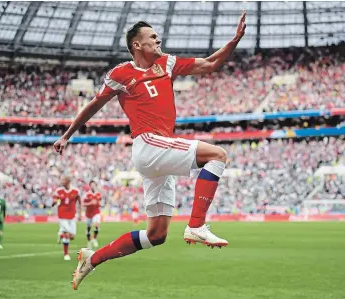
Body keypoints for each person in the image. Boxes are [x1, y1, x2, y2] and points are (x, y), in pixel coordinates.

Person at [54, 10, 246, 290]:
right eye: (153, 37)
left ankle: (92, 258)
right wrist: (67, 135)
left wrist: (234, 40)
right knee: (217, 155)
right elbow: (94, 105)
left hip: (159, 154)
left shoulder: (167, 64)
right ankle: (196, 225)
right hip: (148, 144)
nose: (159, 40)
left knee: (156, 235)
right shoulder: (120, 74)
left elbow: (209, 64)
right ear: (137, 45)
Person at [52, 176, 81, 260]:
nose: (61, 181)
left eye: (63, 180)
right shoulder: (58, 191)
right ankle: (66, 254)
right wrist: (55, 201)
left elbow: (79, 202)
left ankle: (61, 234)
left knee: (72, 236)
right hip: (62, 216)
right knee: (68, 235)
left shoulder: (75, 191)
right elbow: (53, 203)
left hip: (72, 216)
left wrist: (79, 214)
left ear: (68, 181)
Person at [83, 180, 102, 249]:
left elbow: (100, 203)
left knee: (96, 225)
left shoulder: (98, 194)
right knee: (88, 228)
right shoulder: (87, 194)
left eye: (94, 185)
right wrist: (90, 203)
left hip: (96, 212)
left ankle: (94, 238)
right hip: (89, 214)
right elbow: (83, 204)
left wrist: (99, 204)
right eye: (92, 185)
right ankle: (89, 241)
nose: (93, 186)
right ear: (90, 186)